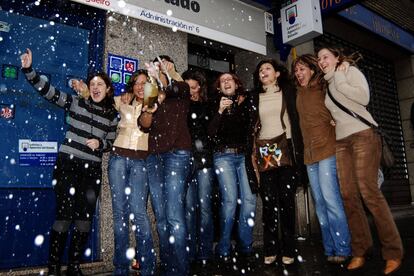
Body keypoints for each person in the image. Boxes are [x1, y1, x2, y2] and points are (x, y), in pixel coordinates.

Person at [21, 48, 118, 276]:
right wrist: (28, 70)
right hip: (68, 163)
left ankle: (74, 266)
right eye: (92, 84)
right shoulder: (76, 103)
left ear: (108, 89)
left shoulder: (112, 116)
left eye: (100, 85)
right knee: (64, 216)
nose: (95, 88)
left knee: (84, 220)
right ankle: (54, 267)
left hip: (91, 169)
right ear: (88, 88)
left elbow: (111, 143)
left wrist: (100, 144)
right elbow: (49, 92)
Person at [317, 47, 403, 275]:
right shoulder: (327, 84)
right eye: (319, 59)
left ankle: (393, 252)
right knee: (348, 195)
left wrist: (341, 77)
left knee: (369, 191)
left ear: (337, 58)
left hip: (363, 134)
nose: (321, 61)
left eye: (325, 56)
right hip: (342, 142)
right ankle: (361, 249)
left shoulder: (349, 71)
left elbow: (363, 97)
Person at [293, 54, 351, 263]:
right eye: (296, 70)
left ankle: (343, 247)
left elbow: (341, 88)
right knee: (319, 204)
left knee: (331, 201)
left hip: (328, 150)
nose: (299, 73)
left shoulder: (323, 86)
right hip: (310, 156)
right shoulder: (298, 93)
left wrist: (343, 64)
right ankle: (329, 249)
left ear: (312, 69)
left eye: (302, 69)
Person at [138, 56, 191, 276]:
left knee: (174, 215)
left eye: (163, 65)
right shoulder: (151, 91)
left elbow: (175, 87)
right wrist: (149, 110)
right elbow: (144, 125)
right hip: (154, 157)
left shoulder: (180, 87)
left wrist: (164, 76)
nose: (158, 69)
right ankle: (169, 265)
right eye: (156, 66)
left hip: (177, 153)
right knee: (160, 216)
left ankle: (180, 270)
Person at [251, 59, 306, 266]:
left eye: (267, 68)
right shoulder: (254, 97)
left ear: (277, 74)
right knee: (269, 203)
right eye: (260, 70)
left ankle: (289, 248)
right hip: (266, 151)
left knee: (286, 201)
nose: (263, 72)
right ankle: (271, 247)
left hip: (286, 149)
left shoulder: (289, 92)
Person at [108, 69, 156, 275]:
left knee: (139, 214)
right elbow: (102, 98)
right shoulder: (123, 100)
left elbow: (146, 126)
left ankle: (147, 265)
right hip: (118, 158)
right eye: (136, 82)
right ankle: (121, 266)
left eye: (144, 83)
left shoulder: (154, 104)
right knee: (119, 214)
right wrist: (83, 90)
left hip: (141, 161)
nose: (139, 86)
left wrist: (150, 99)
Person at [208, 72, 257, 265]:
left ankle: (245, 246)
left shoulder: (247, 102)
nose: (227, 82)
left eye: (230, 79)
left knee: (250, 200)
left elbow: (253, 126)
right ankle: (224, 247)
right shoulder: (214, 103)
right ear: (219, 87)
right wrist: (219, 111)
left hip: (244, 156)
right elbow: (210, 133)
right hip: (223, 156)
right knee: (229, 201)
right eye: (223, 81)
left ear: (237, 84)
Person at [182, 70, 215, 267]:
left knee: (204, 209)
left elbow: (211, 131)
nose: (191, 92)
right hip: (185, 159)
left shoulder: (207, 105)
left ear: (200, 88)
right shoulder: (180, 105)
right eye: (187, 88)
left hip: (204, 161)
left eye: (194, 88)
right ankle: (190, 252)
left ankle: (205, 252)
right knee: (188, 208)